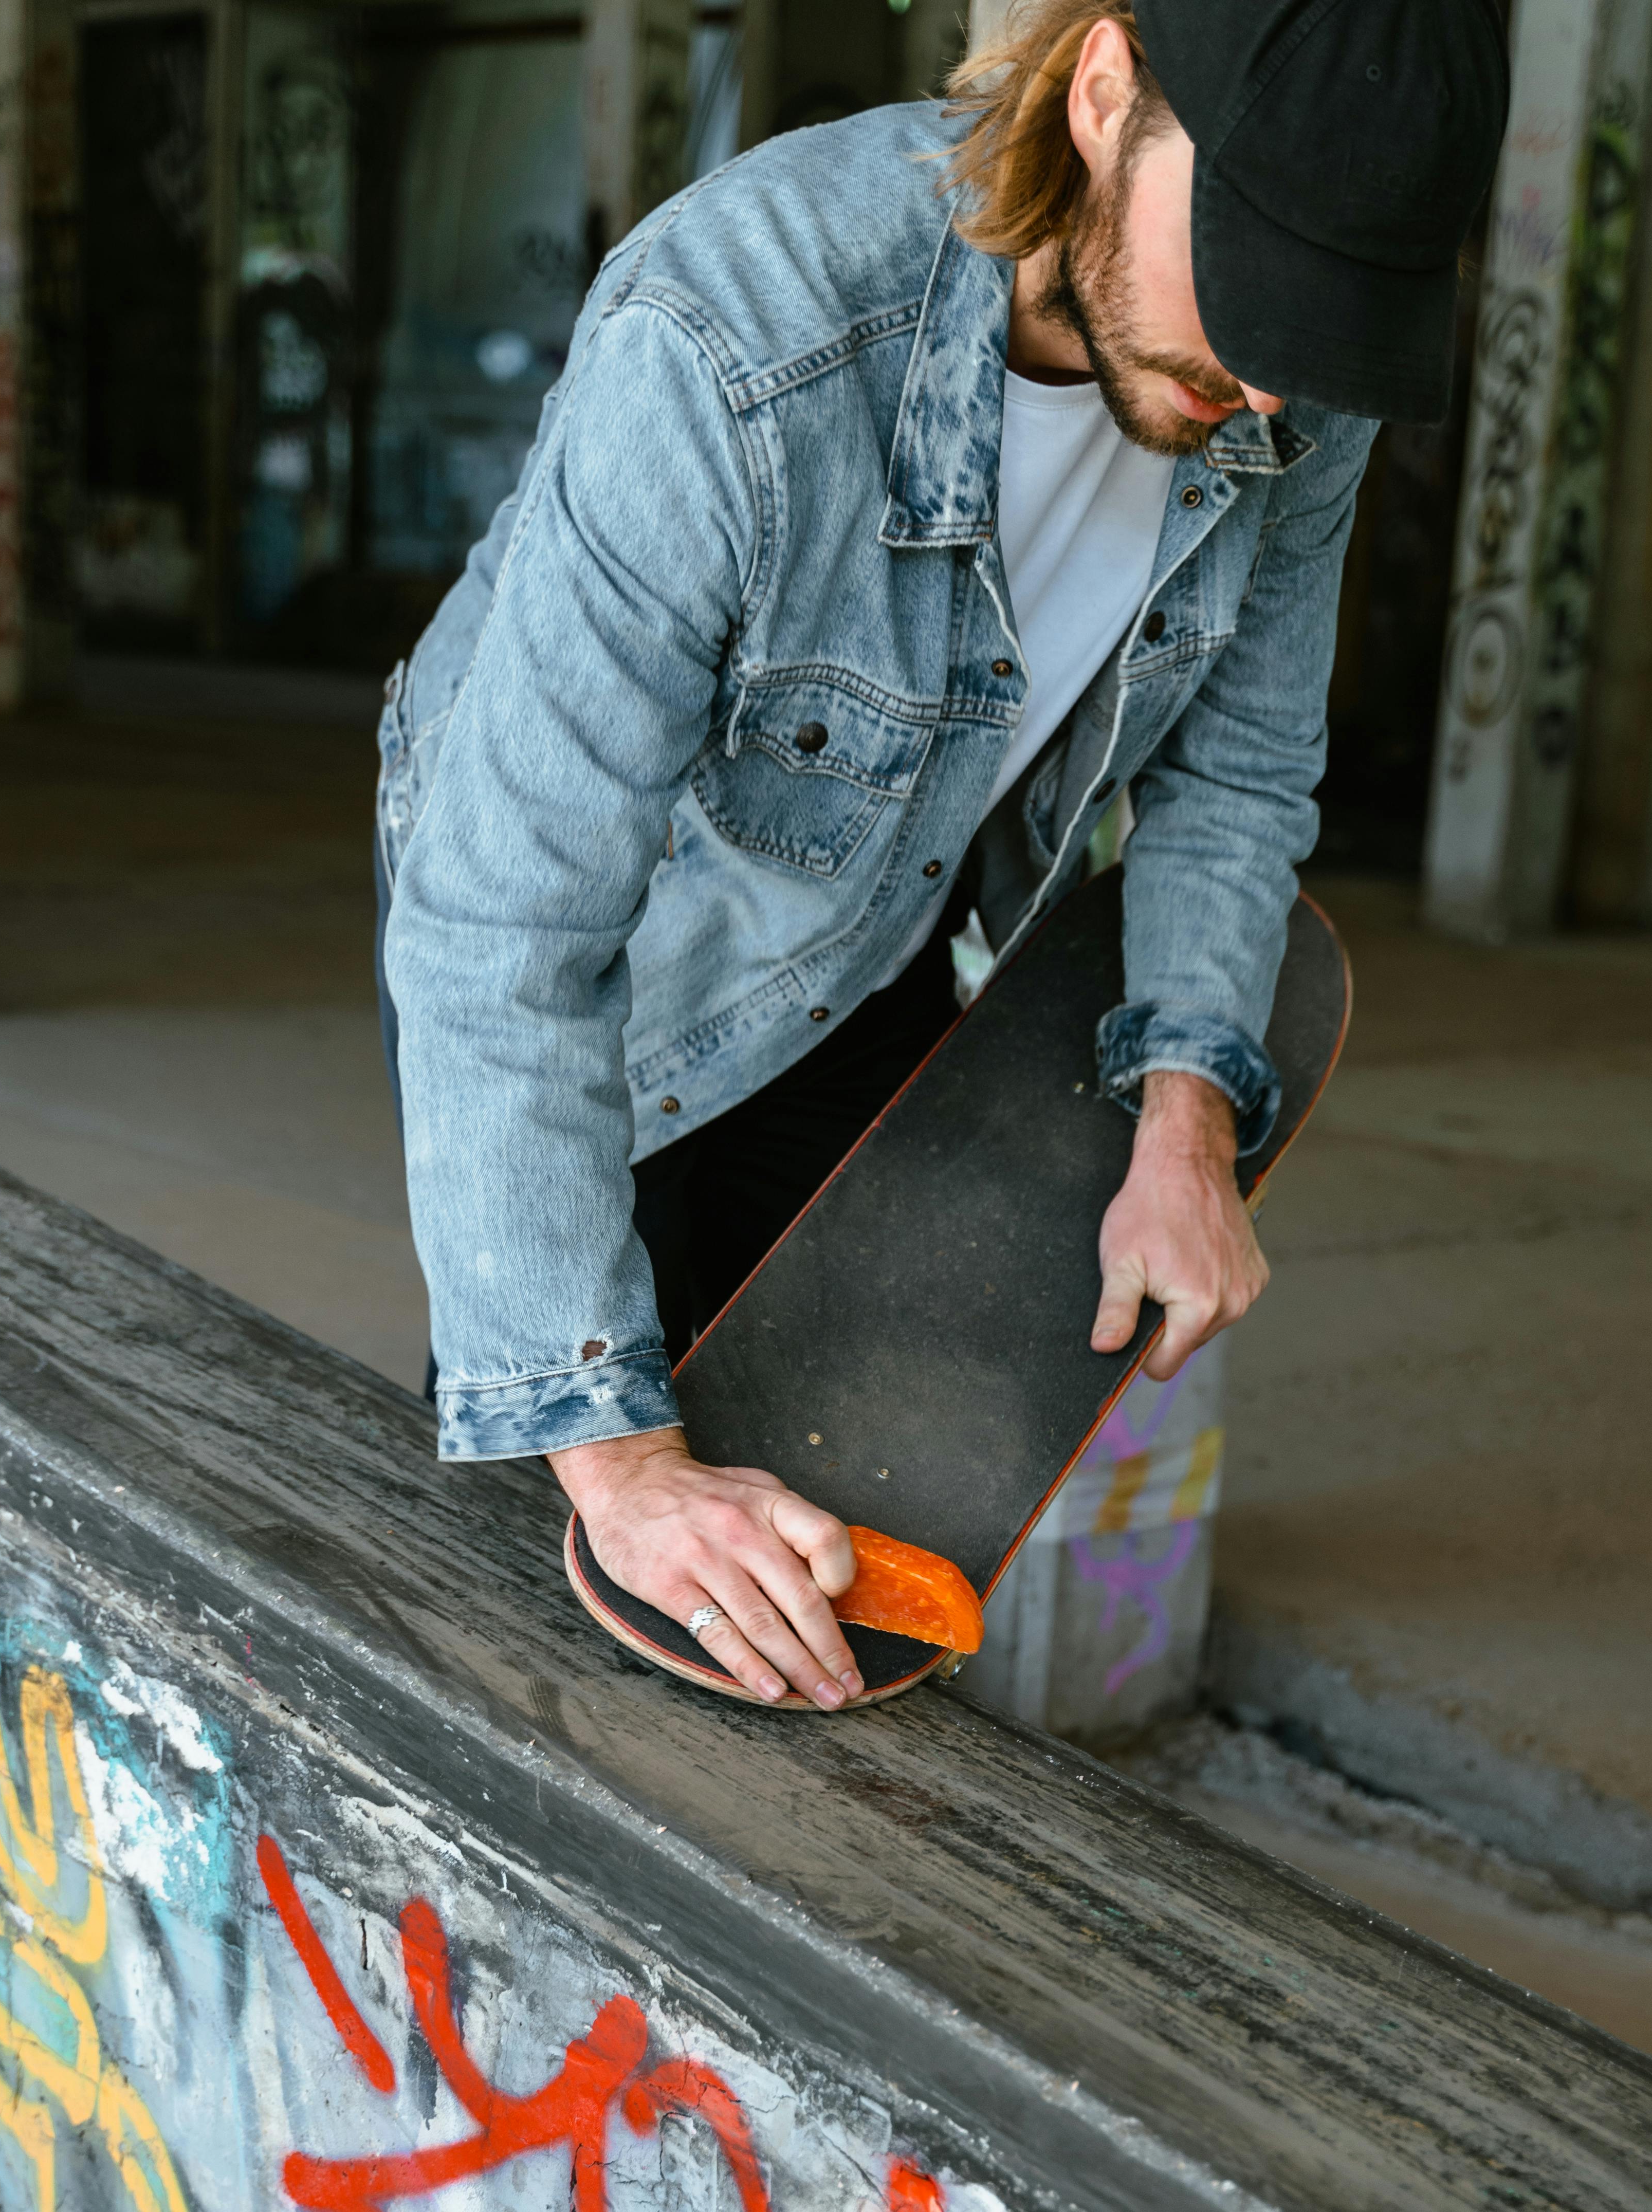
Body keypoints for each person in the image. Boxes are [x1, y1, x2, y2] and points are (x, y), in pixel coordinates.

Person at [377, 0, 1507, 1710]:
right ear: (1105, 93)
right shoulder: (731, 335)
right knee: (583, 1550)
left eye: (1325, 319)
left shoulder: (1284, 380)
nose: (1273, 384)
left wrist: (1188, 1117)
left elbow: (1242, 760)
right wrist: (618, 1459)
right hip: (619, 926)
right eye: (1256, 280)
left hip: (886, 913)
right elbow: (504, 927)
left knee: (827, 1576)